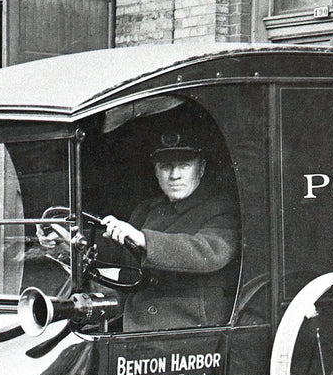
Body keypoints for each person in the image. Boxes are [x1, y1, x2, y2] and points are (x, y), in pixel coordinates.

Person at [99, 126, 239, 331]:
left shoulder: (221, 208)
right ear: (156, 172)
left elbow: (210, 251)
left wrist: (144, 240)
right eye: (165, 166)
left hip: (188, 327)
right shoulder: (146, 210)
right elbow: (118, 249)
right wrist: (69, 241)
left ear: (201, 168)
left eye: (184, 165)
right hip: (135, 320)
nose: (175, 175)